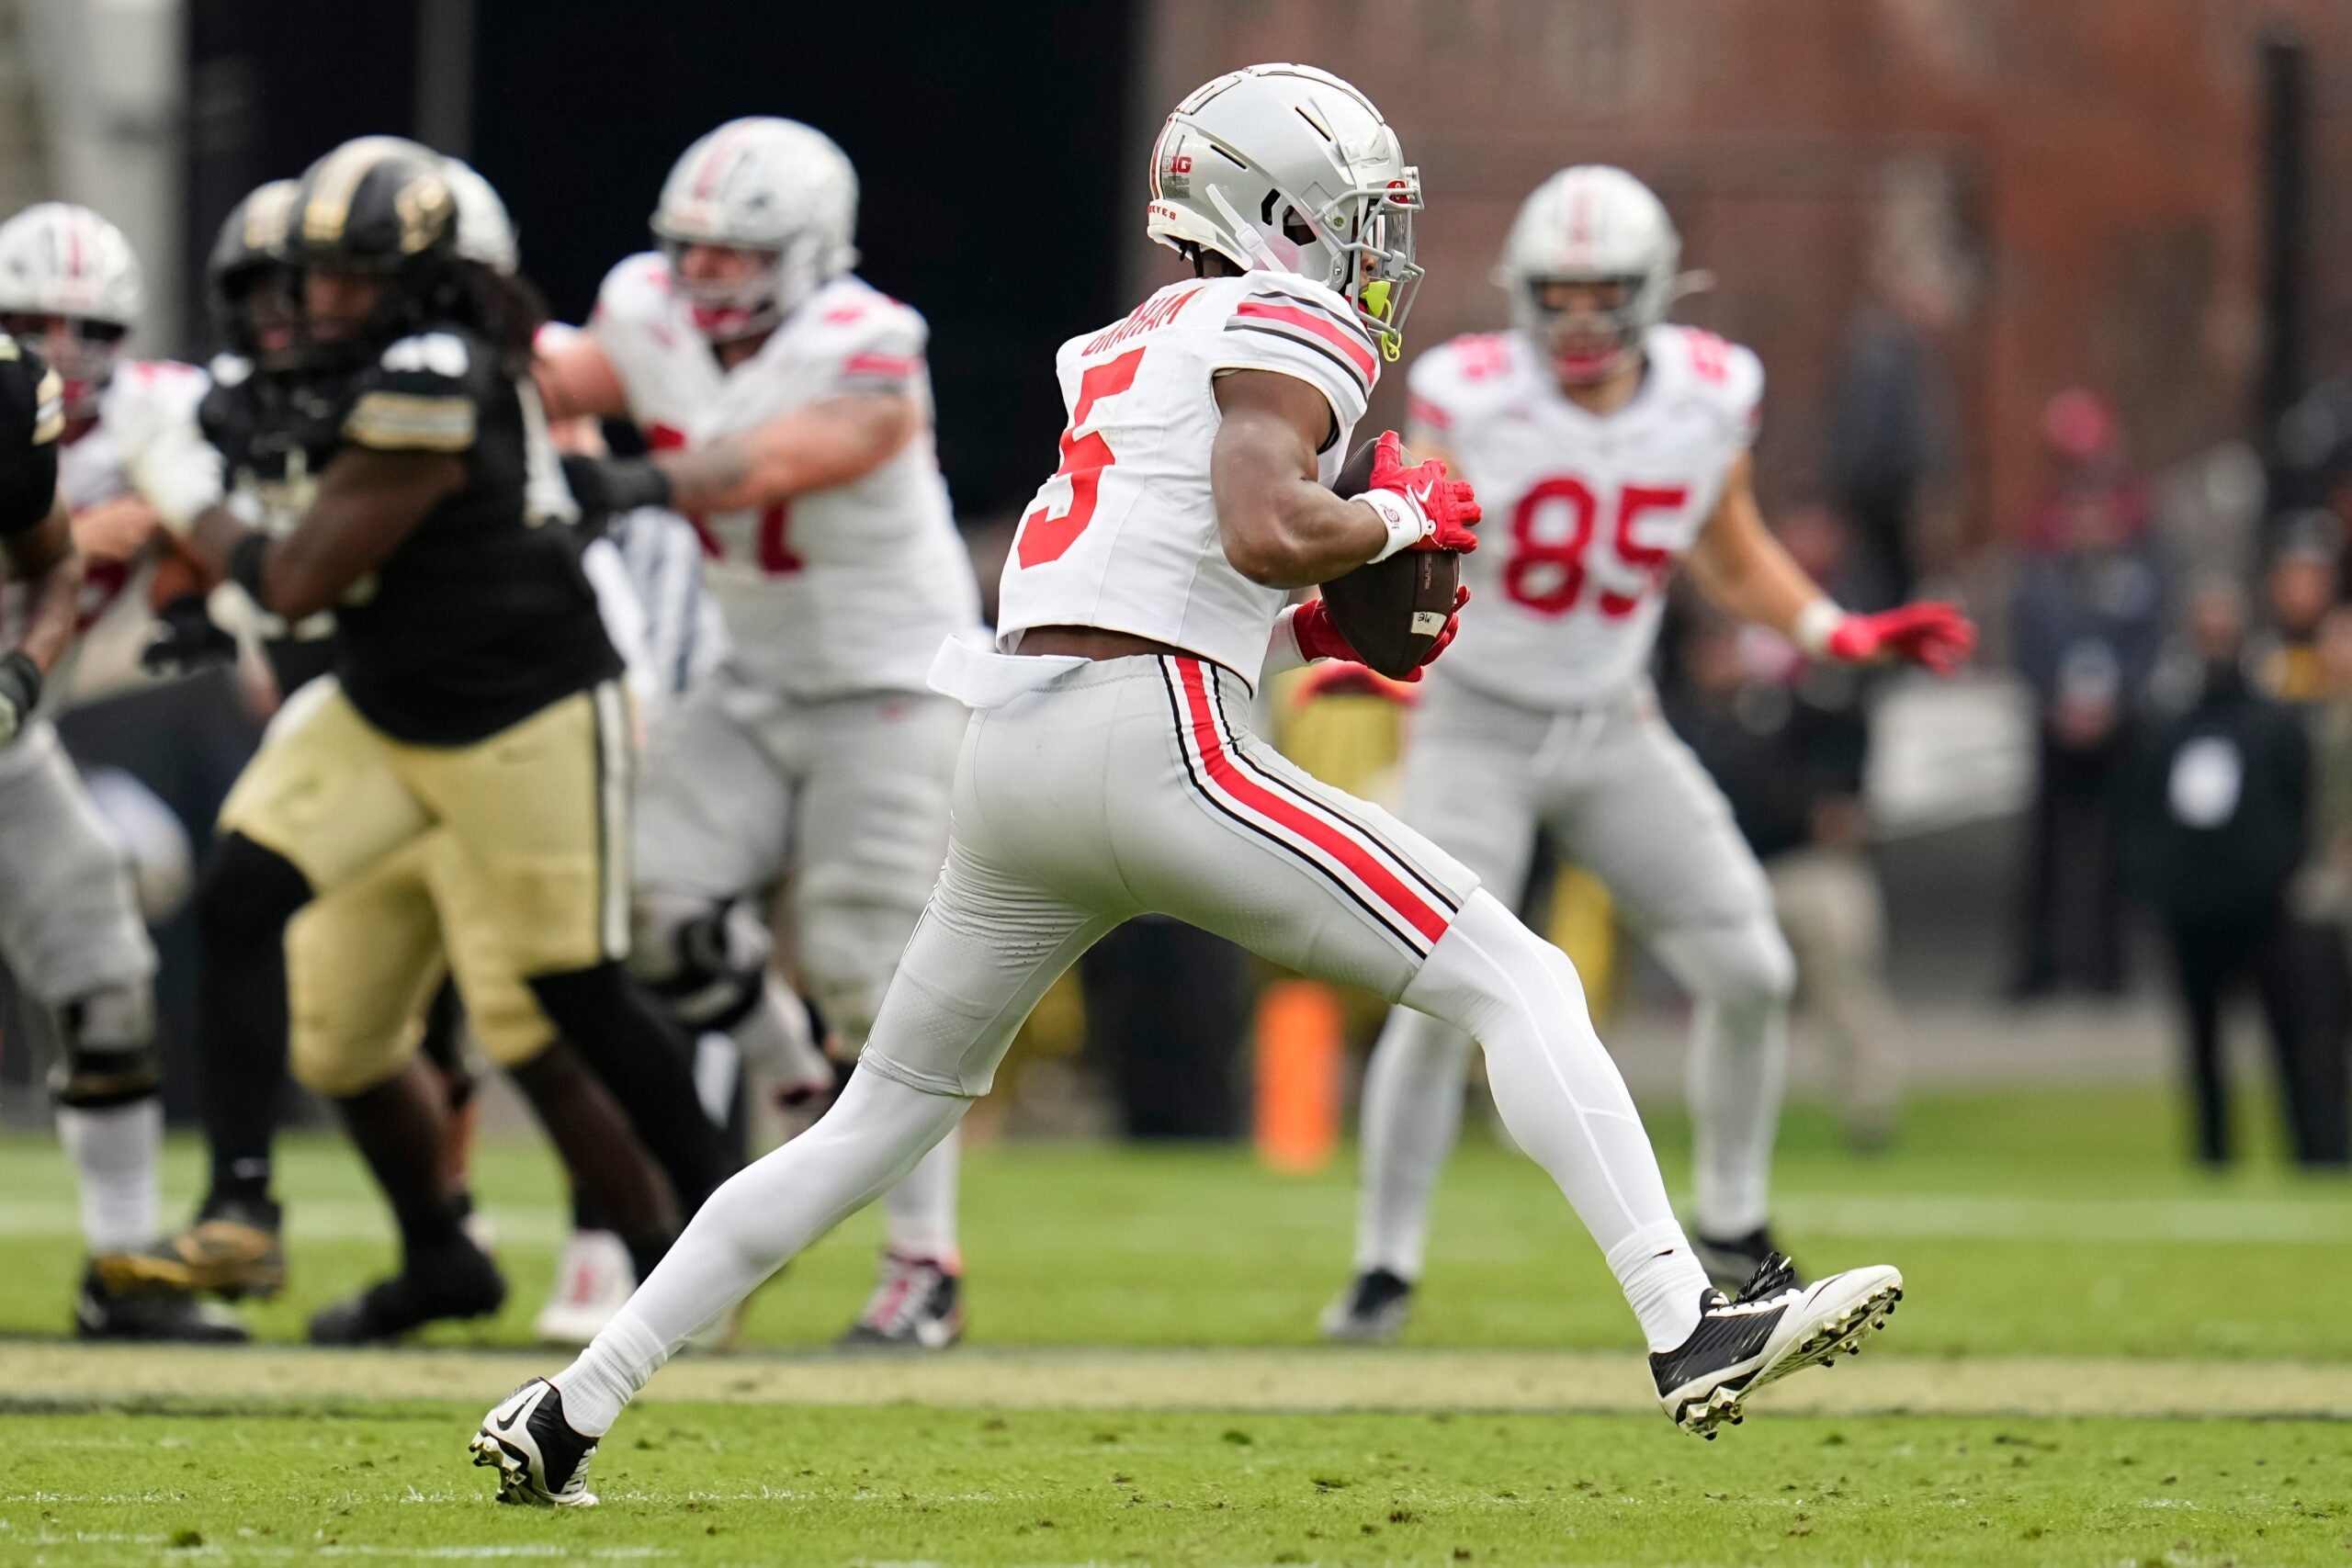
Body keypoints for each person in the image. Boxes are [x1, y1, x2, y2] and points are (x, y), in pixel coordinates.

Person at [473, 64, 1906, 1508]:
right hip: (1155, 738)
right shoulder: (1294, 316)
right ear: (1275, 209)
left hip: (1018, 742)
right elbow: (1267, 519)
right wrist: (1394, 515)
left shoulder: (1128, 340)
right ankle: (1687, 1321)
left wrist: (1316, 616)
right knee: (1519, 976)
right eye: (1354, 215)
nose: (1373, 251)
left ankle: (574, 1400)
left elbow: (1173, 566)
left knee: (873, 1115)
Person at [1322, 165, 1971, 1343]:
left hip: (1614, 723)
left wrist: (1834, 628)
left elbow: (1724, 549)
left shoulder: (1709, 396)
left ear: (1653, 291)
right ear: (1523, 295)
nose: (1576, 320)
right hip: (1475, 721)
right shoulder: (1469, 391)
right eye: (1556, 296)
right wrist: (1355, 641)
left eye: (1601, 294)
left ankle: (1729, 1214)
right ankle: (1383, 1265)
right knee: (1433, 1001)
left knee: (1752, 968)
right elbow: (1409, 545)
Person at [134, 137, 734, 1340]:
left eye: (352, 280)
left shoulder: (435, 368)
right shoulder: (325, 378)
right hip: (385, 705)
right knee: (241, 896)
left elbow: (298, 579)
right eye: (310, 281)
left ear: (420, 285)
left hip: (522, 707)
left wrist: (183, 492)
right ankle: (247, 1206)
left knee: (573, 991)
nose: (318, 306)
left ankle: (712, 1235)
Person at [535, 118, 984, 1348]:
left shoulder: (873, 340)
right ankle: (790, 1062)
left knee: (870, 968)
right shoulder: (643, 308)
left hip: (892, 682)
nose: (703, 277)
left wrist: (632, 483)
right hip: (755, 674)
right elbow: (552, 385)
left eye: (735, 256)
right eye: (692, 252)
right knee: (644, 904)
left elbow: (795, 455)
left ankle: (922, 1261)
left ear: (807, 251)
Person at [0, 203, 240, 1343]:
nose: (53, 350)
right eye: (28, 321)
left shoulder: (101, 408)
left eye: (82, 325)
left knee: (104, 964)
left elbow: (192, 514)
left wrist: (21, 678)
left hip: (12, 734)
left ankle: (121, 1264)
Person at [2135, 578, 2345, 1165]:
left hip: (2266, 908)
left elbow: (2301, 800)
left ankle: (2316, 1149)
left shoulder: (2273, 725)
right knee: (2202, 1042)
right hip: (2193, 910)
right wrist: (2160, 887)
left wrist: (2284, 874)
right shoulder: (2168, 725)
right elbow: (2142, 810)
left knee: (2295, 1037)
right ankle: (2213, 1152)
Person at [2008, 389, 2165, 998]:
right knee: (2046, 846)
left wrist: (2118, 698)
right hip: (2055, 715)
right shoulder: (2041, 542)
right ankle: (2040, 963)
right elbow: (2025, 630)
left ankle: (2109, 965)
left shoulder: (2140, 536)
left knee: (2119, 844)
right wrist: (2053, 698)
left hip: (2118, 718)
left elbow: (2152, 629)